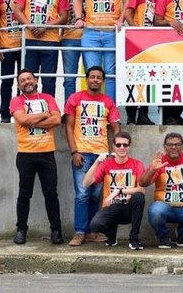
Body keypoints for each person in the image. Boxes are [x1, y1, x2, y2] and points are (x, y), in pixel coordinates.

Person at [64, 66, 121, 247]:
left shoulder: (108, 102)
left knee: (96, 196)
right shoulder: (75, 98)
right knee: (82, 194)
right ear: (87, 79)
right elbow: (68, 127)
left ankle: (92, 231)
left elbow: (116, 127)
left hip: (102, 156)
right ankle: (80, 232)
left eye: (99, 78)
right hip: (82, 154)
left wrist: (114, 150)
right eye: (92, 77)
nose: (95, 80)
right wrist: (74, 151)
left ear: (102, 82)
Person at [73, 0, 134, 103]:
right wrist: (79, 18)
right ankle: (93, 108)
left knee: (111, 73)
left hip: (112, 33)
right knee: (92, 74)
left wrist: (121, 20)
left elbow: (127, 1)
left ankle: (110, 110)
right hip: (91, 32)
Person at [9, 69, 63, 245]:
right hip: (26, 154)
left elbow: (57, 120)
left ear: (36, 80)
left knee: (51, 194)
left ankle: (56, 231)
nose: (26, 82)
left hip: (47, 153)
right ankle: (21, 230)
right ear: (19, 85)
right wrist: (44, 114)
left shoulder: (48, 98)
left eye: (29, 78)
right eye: (22, 80)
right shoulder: (16, 101)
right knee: (24, 194)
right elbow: (23, 121)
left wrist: (34, 119)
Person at [138, 132, 183, 248]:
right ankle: (163, 237)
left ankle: (182, 233)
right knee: (155, 211)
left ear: (182, 146)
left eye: (177, 144)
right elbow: (142, 183)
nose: (173, 147)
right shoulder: (159, 162)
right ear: (164, 146)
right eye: (170, 144)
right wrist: (152, 169)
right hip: (164, 206)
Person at [13, 0, 68, 97]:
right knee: (28, 79)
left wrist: (46, 27)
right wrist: (30, 25)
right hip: (30, 40)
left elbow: (64, 16)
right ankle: (28, 109)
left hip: (50, 42)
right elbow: (17, 10)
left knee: (49, 80)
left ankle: (49, 111)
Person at [83, 131, 147, 250]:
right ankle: (111, 234)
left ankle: (134, 239)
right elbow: (86, 183)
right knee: (94, 225)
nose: (122, 147)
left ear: (129, 147)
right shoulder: (107, 164)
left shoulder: (137, 164)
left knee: (139, 197)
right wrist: (97, 162)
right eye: (118, 145)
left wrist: (118, 191)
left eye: (125, 145)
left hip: (129, 207)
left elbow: (142, 190)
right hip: (111, 207)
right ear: (113, 147)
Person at [123, 0, 158, 125]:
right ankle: (131, 117)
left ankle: (143, 115)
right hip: (136, 42)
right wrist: (135, 29)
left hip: (150, 44)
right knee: (134, 78)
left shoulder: (156, 0)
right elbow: (128, 13)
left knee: (147, 79)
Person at [0, 0, 24, 123]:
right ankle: (5, 114)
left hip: (25, 46)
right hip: (7, 45)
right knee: (6, 82)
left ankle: (22, 113)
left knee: (25, 82)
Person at [61, 0, 87, 101]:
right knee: (69, 77)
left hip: (89, 35)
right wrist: (61, 33)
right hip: (69, 36)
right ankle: (68, 108)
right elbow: (63, 11)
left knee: (93, 74)